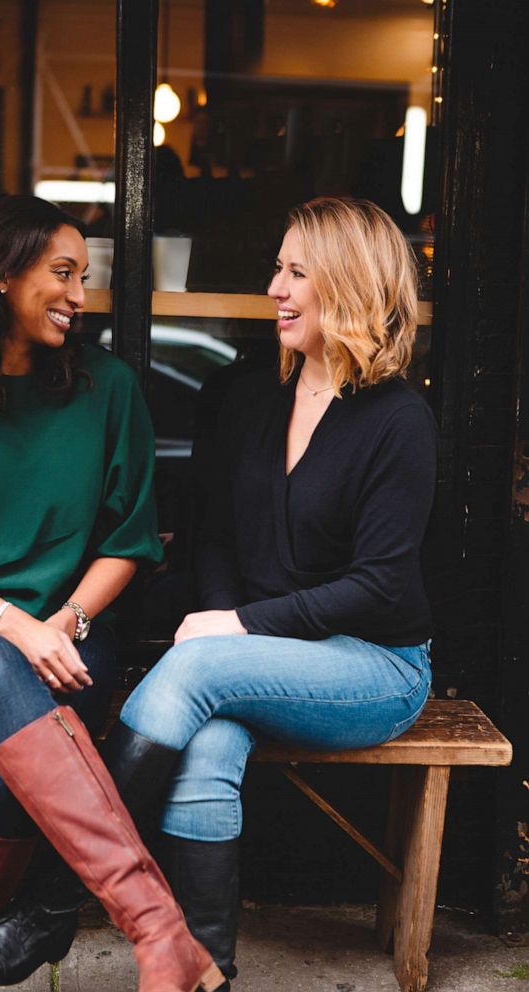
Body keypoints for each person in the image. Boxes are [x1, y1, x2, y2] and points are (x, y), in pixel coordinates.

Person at [0, 194, 224, 992]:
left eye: (85, 278)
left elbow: (125, 543)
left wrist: (62, 620)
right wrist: (16, 627)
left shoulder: (109, 387)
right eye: (61, 273)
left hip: (74, 626)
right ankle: (157, 927)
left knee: (7, 747)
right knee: (6, 670)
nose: (78, 295)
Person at [99, 196, 438, 990]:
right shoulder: (256, 397)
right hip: (263, 656)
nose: (275, 289)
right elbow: (216, 534)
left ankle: (49, 899)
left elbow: (379, 586)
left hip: (375, 668)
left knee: (193, 669)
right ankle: (203, 967)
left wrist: (235, 625)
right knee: (207, 750)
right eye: (275, 270)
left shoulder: (398, 420)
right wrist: (230, 622)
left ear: (349, 284)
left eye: (296, 272)